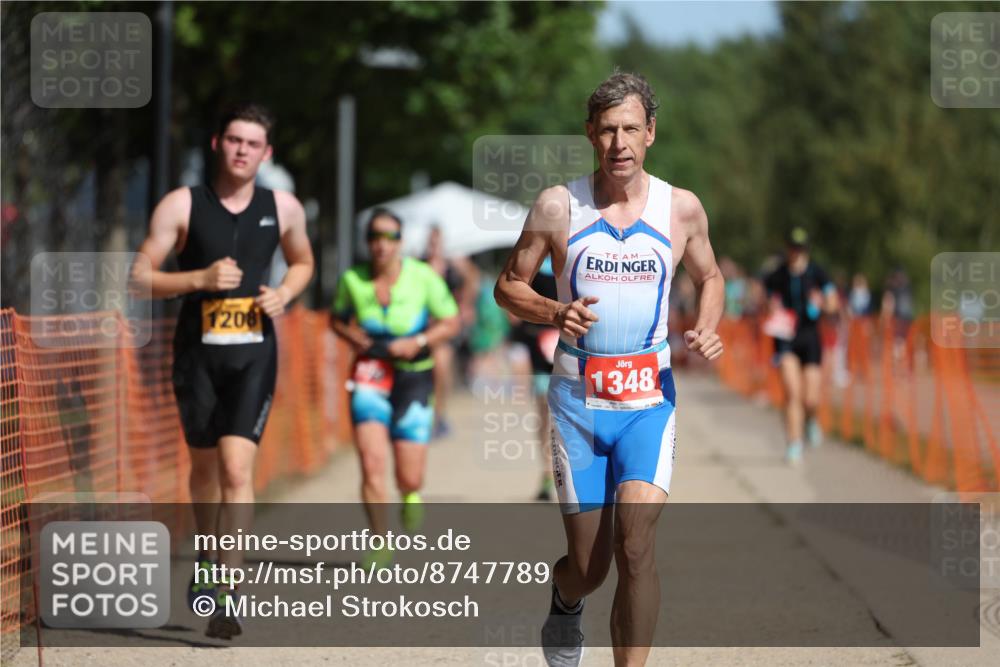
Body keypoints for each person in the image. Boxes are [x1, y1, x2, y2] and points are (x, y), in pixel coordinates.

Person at [494, 71, 724, 667]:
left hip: (649, 402)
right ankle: (566, 598)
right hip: (578, 404)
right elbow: (508, 285)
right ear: (590, 135)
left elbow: (711, 276)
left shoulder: (681, 209)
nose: (619, 143)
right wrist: (555, 310)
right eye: (606, 131)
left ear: (651, 132)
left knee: (636, 544)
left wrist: (707, 324)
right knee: (590, 567)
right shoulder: (558, 205)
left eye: (630, 129)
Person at [132, 103, 314, 639]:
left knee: (237, 469)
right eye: (234, 140)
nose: (242, 151)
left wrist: (284, 293)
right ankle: (208, 556)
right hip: (197, 356)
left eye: (252, 144)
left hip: (254, 354)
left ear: (266, 153)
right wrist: (199, 279)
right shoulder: (181, 205)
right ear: (217, 143)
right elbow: (139, 276)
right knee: (205, 470)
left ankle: (229, 592)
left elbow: (303, 261)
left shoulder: (283, 207)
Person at [331, 209, 459, 567]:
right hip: (370, 373)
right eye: (375, 236)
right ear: (367, 242)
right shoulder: (352, 279)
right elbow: (336, 319)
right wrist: (350, 335)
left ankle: (410, 492)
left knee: (409, 474)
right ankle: (379, 542)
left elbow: (450, 322)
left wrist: (418, 341)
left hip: (414, 375)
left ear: (400, 242)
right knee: (371, 461)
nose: (381, 244)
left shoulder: (423, 277)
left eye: (390, 237)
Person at [763, 227, 838, 463]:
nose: (796, 252)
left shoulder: (817, 273)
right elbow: (766, 300)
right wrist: (771, 307)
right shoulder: (777, 275)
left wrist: (823, 304)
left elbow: (833, 303)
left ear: (806, 249)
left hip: (810, 338)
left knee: (810, 399)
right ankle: (794, 443)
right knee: (792, 392)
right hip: (785, 338)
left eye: (800, 248)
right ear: (787, 249)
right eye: (792, 248)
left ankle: (811, 420)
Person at [506, 255, 560, 501]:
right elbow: (511, 298)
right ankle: (548, 472)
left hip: (574, 346)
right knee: (545, 413)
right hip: (540, 348)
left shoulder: (578, 253)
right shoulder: (531, 259)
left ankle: (569, 473)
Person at [421, 225, 479, 438]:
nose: (434, 245)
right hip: (422, 327)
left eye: (437, 241)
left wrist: (465, 305)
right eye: (431, 241)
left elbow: (473, 279)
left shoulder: (453, 265)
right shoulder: (419, 264)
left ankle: (438, 417)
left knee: (440, 368)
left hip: (445, 326)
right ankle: (428, 414)